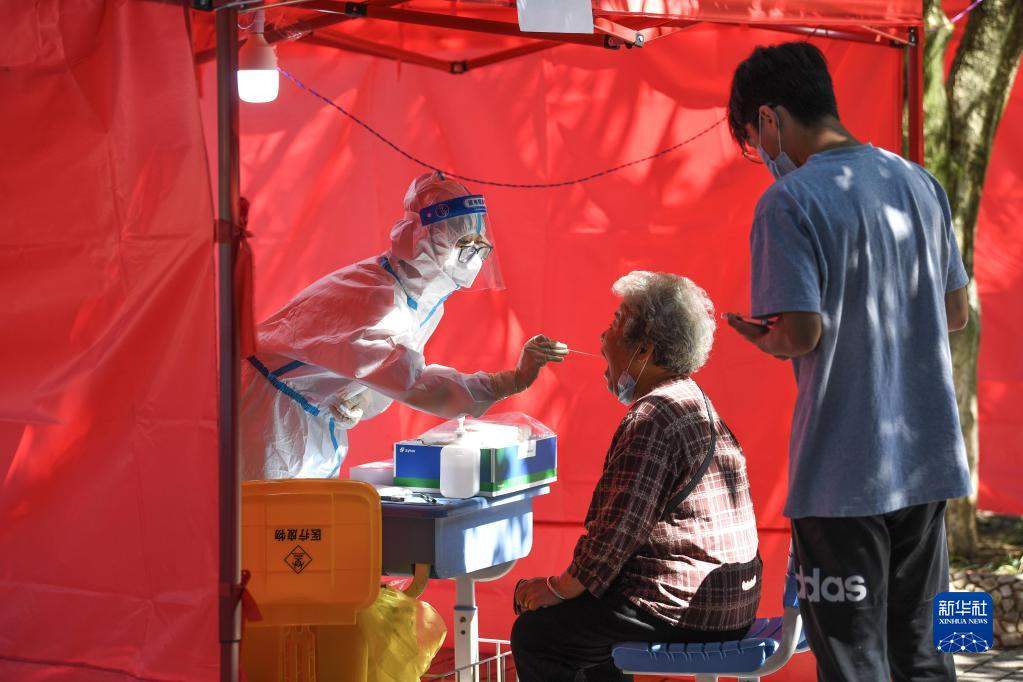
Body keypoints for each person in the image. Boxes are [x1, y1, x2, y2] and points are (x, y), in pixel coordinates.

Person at [725, 42, 970, 681]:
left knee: (855, 665)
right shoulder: (919, 182)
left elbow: (801, 333)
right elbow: (955, 313)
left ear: (770, 119)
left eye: (754, 138)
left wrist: (760, 335)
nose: (762, 156)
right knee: (925, 656)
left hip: (841, 475)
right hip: (928, 463)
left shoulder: (789, 202)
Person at [511, 271, 762, 682]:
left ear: (643, 350)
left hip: (690, 609)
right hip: (730, 602)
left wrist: (557, 587)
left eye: (615, 322)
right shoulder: (692, 398)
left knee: (538, 635)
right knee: (595, 621)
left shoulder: (654, 416)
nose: (601, 336)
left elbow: (616, 532)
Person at [240, 172, 568, 480]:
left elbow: (384, 371)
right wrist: (507, 382)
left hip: (305, 422)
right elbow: (415, 382)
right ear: (422, 239)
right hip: (269, 421)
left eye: (480, 245)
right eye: (464, 244)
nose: (474, 258)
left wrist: (360, 400)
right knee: (265, 529)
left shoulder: (417, 299)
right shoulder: (377, 297)